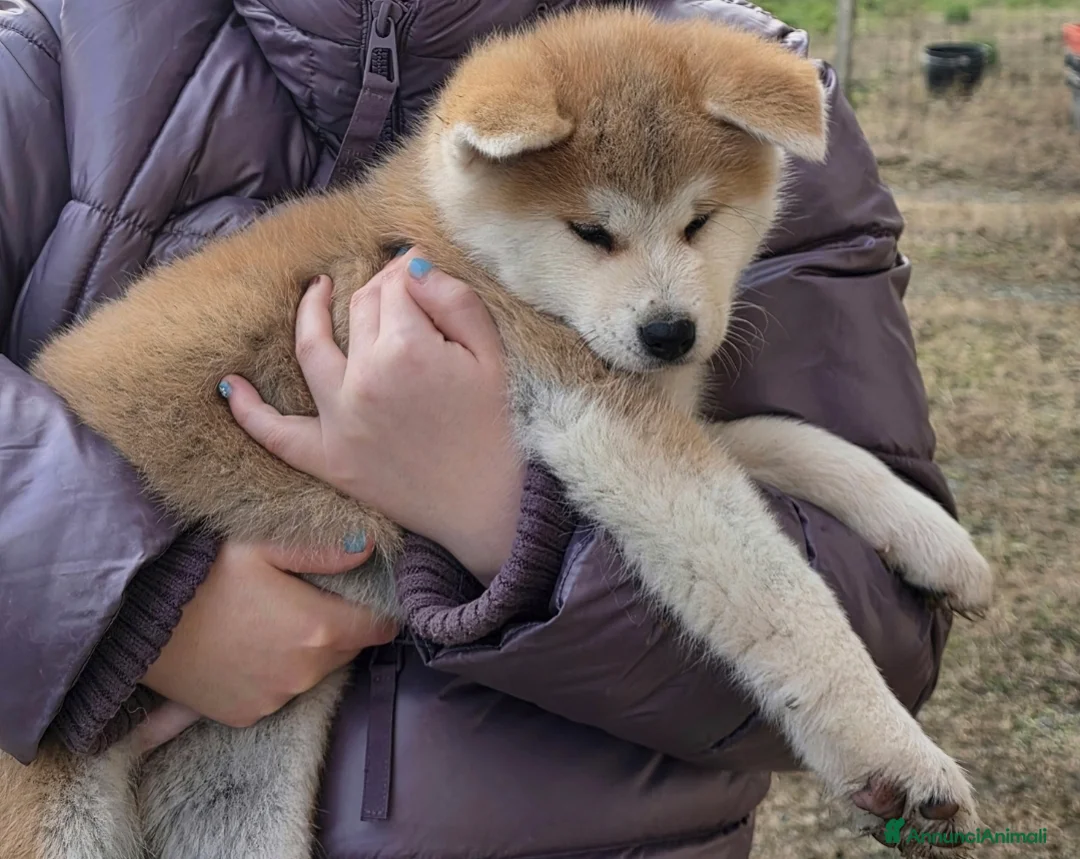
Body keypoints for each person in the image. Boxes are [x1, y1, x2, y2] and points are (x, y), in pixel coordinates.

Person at [0, 0, 957, 855]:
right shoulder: (59, 56)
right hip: (93, 621)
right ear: (473, 160)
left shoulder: (721, 72)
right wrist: (133, 609)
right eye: (596, 235)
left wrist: (864, 492)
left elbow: (669, 471)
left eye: (700, 224)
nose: (665, 302)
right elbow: (668, 490)